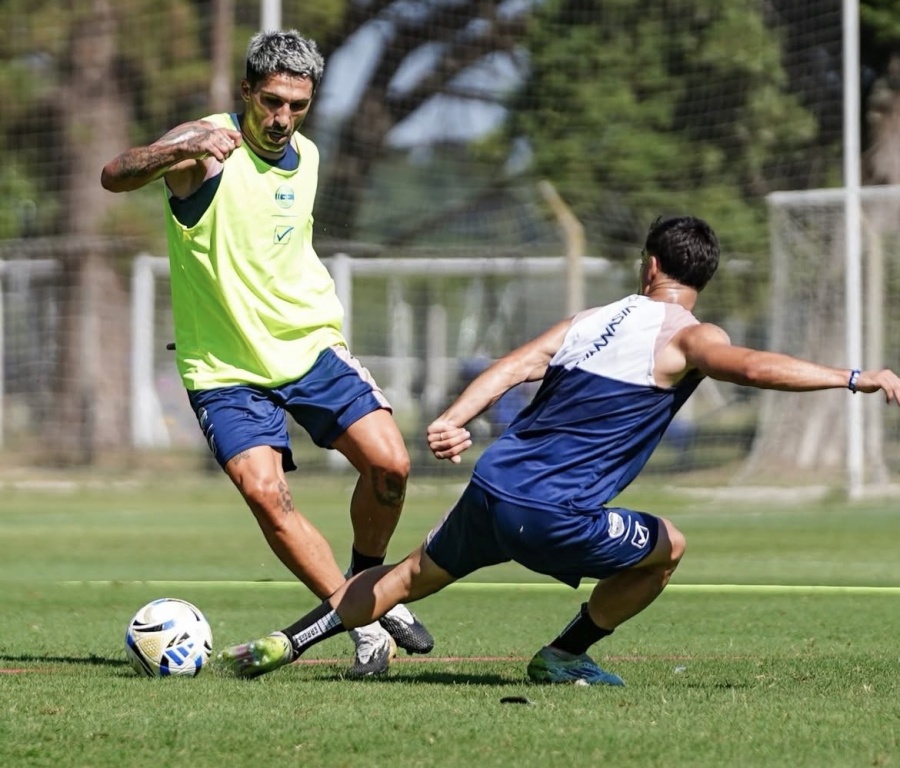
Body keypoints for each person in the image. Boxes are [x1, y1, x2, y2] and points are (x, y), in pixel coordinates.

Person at [216, 215, 900, 684]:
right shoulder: (690, 336)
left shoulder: (590, 320)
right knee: (670, 546)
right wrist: (851, 377)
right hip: (554, 513)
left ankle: (285, 643)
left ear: (650, 264)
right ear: (698, 277)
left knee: (402, 578)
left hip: (491, 487)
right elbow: (750, 366)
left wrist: (455, 418)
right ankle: (565, 655)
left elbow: (511, 367)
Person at [100, 29, 432, 676]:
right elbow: (114, 174)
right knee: (265, 493)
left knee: (391, 467)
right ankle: (362, 621)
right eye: (271, 101)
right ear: (246, 91)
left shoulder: (306, 156)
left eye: (297, 106)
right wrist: (184, 145)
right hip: (224, 367)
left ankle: (369, 584)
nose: (282, 118)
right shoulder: (204, 148)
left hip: (307, 346)